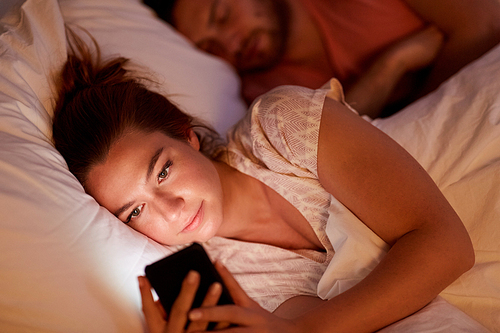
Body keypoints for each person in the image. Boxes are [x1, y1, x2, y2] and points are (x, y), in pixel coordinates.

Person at [52, 31, 475, 332]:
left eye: (163, 171)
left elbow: (446, 243)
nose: (173, 210)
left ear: (186, 134)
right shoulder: (223, 278)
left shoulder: (279, 127)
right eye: (136, 210)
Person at [143, 0, 500, 118]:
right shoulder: (265, 90)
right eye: (210, 48)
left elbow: (485, 23)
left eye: (222, 17)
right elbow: (322, 144)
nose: (230, 46)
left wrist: (376, 106)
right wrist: (394, 64)